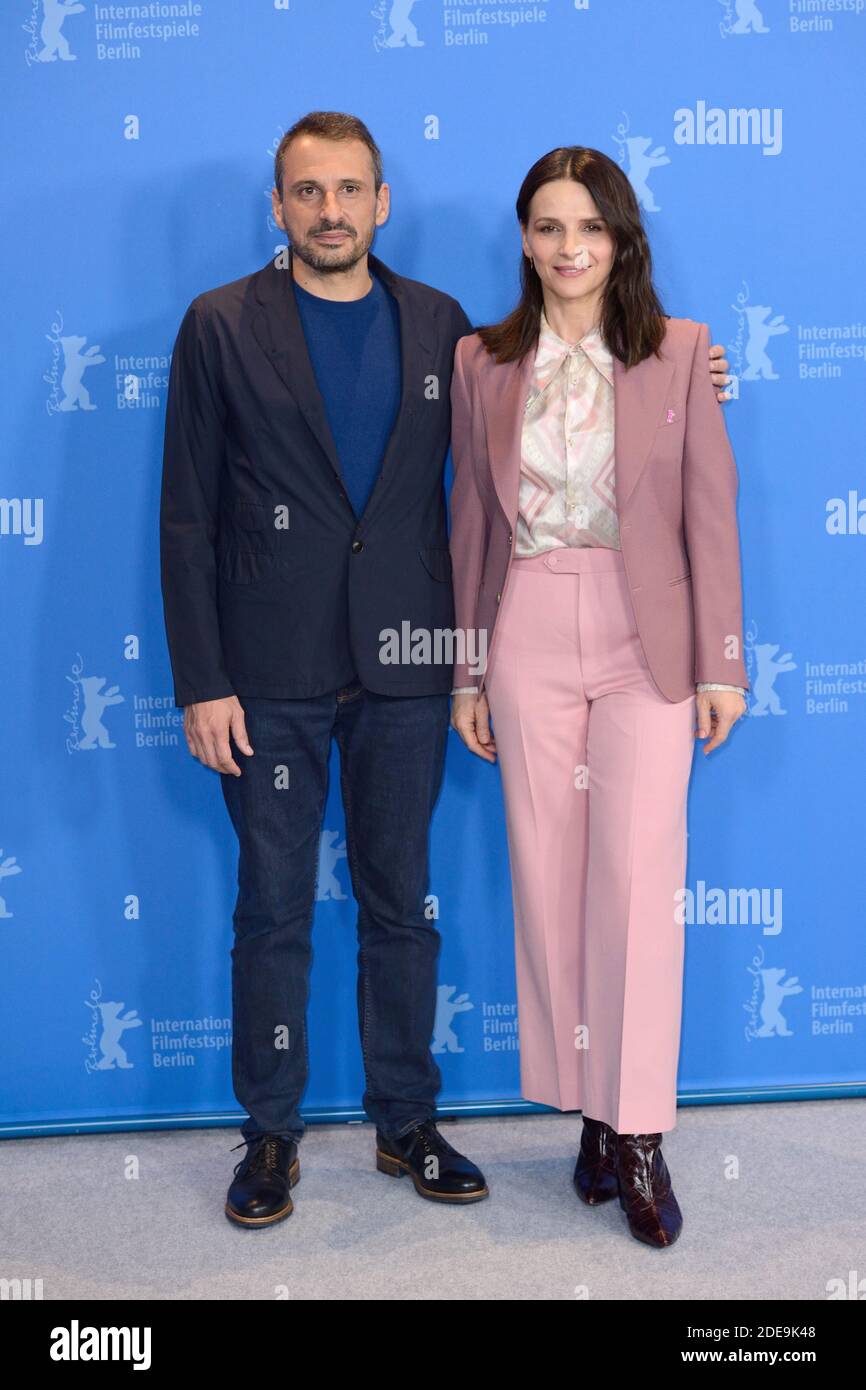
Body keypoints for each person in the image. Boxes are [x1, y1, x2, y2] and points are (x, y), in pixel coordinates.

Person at [160, 114, 734, 1230]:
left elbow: (656, 458)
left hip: (417, 663)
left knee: (405, 906)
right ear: (277, 206)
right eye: (306, 191)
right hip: (288, 664)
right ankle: (270, 1135)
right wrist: (201, 677)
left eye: (350, 190)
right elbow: (188, 515)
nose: (329, 210)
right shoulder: (240, 327)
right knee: (274, 908)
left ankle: (418, 1122)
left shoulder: (445, 331)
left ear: (383, 204)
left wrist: (696, 369)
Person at [448, 146, 748, 1248]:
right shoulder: (480, 360)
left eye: (588, 227)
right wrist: (465, 669)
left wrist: (721, 662)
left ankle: (638, 1135)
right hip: (526, 619)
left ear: (620, 239)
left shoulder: (677, 353)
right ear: (522, 239)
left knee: (634, 882)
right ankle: (586, 1109)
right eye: (545, 227)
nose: (567, 248)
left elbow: (709, 510)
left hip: (647, 637)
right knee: (548, 884)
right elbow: (469, 525)